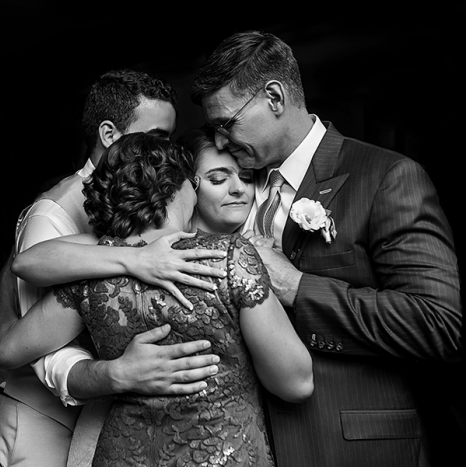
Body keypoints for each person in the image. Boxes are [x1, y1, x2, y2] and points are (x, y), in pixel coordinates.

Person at [190, 30, 462, 467]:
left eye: (226, 124)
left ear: (275, 97)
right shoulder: (230, 187)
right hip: (245, 447)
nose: (220, 142)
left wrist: (298, 286)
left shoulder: (386, 177)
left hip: (351, 448)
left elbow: (438, 325)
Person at [0, 132, 313, 466]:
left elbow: (9, 350)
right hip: (224, 452)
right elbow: (296, 383)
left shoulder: (89, 271)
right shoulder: (229, 258)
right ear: (174, 188)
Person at [0, 69, 227, 467]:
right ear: (110, 135)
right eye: (156, 138)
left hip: (105, 418)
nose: (163, 153)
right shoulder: (52, 216)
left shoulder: (151, 207)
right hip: (40, 417)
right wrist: (118, 374)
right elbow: (40, 353)